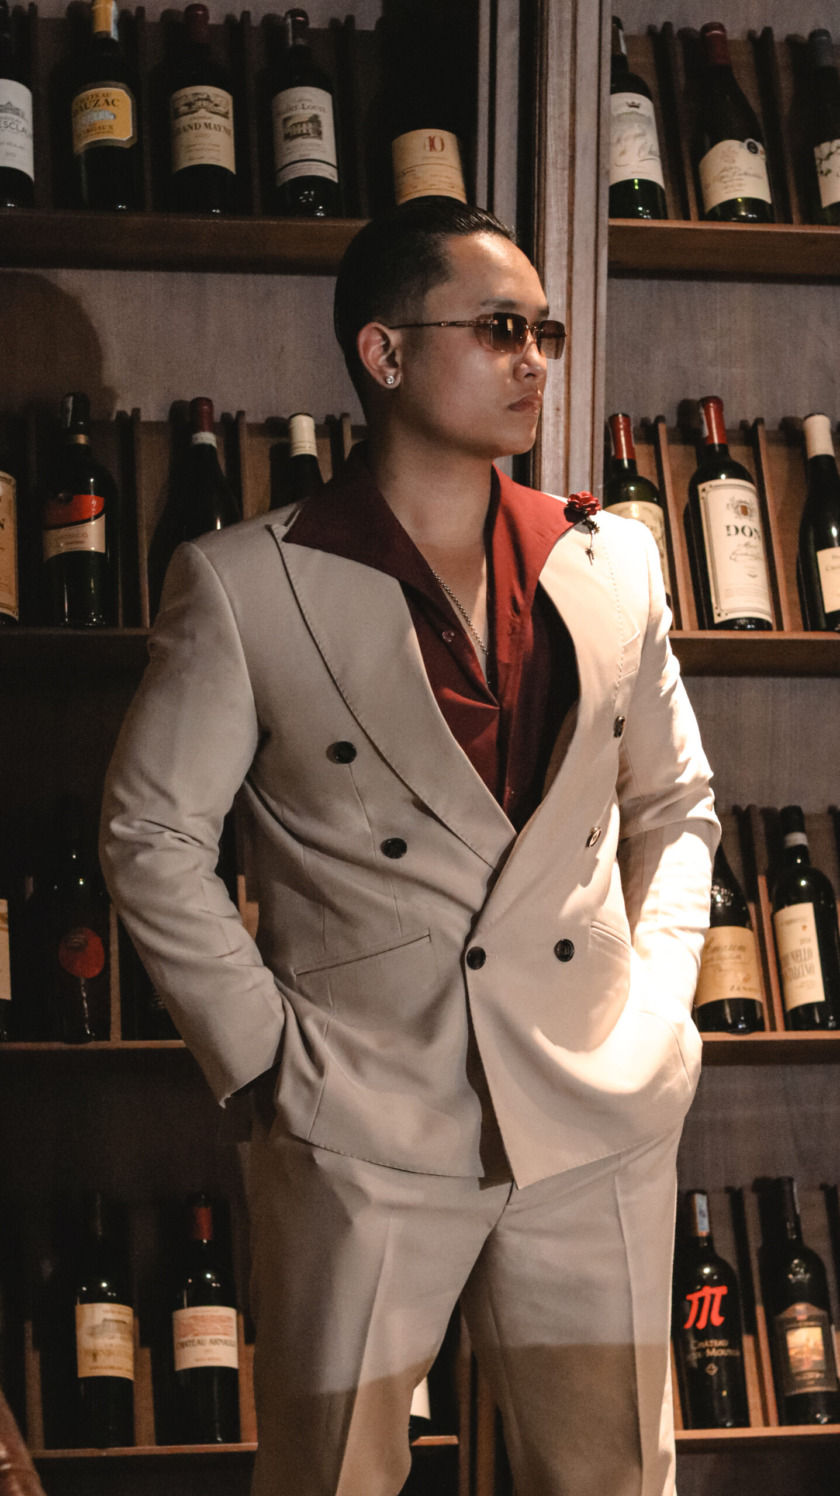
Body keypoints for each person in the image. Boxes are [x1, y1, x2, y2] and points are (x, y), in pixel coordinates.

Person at [100, 198, 719, 1496]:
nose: (534, 358)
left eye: (544, 331)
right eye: (498, 329)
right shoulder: (245, 582)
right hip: (361, 1115)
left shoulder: (615, 561)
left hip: (596, 1099)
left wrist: (660, 1007)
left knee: (613, 1479)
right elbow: (151, 832)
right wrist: (267, 1063)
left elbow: (676, 806)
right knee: (331, 1479)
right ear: (383, 354)